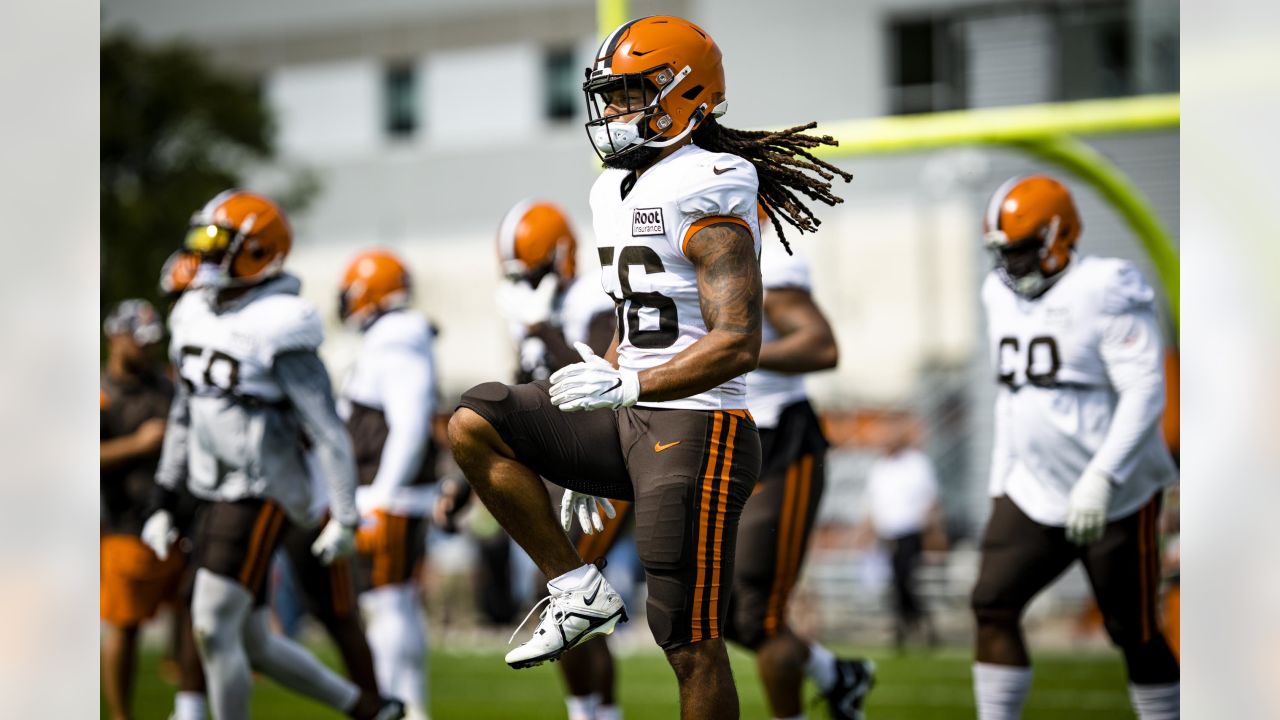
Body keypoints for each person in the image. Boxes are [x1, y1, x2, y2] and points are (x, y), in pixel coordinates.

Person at [448, 15, 850, 719]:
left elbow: (736, 341)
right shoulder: (614, 189)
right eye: (607, 96)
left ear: (684, 94)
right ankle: (577, 589)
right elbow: (637, 324)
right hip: (632, 416)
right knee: (477, 420)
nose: (611, 112)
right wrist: (606, 398)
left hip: (701, 427)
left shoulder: (713, 179)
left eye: (629, 95)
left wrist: (629, 384)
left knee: (688, 642)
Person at [140, 190, 404, 720]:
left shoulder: (281, 322)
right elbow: (185, 413)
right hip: (212, 489)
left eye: (219, 247)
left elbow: (328, 429)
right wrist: (165, 497)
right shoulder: (192, 312)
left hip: (262, 490)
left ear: (258, 251)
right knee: (253, 639)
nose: (205, 259)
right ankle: (370, 708)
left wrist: (346, 515)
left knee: (211, 625)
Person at [970, 176, 1180, 719]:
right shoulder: (997, 292)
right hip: (1032, 487)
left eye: (1019, 251)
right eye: (1002, 253)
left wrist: (1103, 476)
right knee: (992, 603)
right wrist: (1000, 481)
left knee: (1133, 632)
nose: (1009, 266)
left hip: (1117, 494)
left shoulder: (1106, 287)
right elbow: (1010, 398)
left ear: (1057, 236)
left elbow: (1145, 388)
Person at [722, 211, 874, 720]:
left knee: (761, 617)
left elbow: (820, 344)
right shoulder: (679, 256)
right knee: (718, 612)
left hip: (778, 442)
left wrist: (740, 351)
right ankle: (836, 675)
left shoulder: (769, 260)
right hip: (723, 442)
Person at [496, 200, 628, 720]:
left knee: (560, 588)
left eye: (535, 273)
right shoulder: (535, 309)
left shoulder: (594, 297)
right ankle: (598, 712)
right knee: (576, 597)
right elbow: (520, 389)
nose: (528, 286)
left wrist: (542, 326)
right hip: (566, 468)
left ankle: (586, 712)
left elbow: (597, 381)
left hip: (608, 464)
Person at [337, 249, 439, 720]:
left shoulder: (396, 339)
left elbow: (410, 423)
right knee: (392, 603)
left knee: (387, 604)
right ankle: (405, 702)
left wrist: (379, 495)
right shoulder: (392, 337)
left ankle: (401, 703)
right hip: (391, 493)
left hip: (391, 495)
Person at [100, 299, 205, 720]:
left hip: (178, 520)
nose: (146, 349)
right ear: (116, 337)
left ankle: (188, 707)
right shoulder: (99, 391)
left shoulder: (165, 385)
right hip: (126, 523)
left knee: (195, 615)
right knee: (125, 625)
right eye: (139, 341)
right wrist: (137, 445)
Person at [865, 413, 942, 650]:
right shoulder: (879, 468)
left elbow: (930, 500)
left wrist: (934, 533)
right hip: (888, 533)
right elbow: (873, 503)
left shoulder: (917, 463)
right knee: (897, 580)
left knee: (904, 578)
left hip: (911, 530)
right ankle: (912, 622)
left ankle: (910, 622)